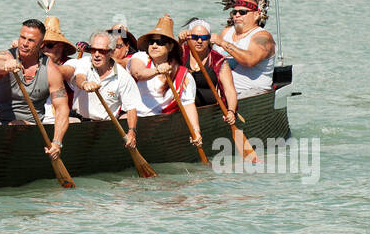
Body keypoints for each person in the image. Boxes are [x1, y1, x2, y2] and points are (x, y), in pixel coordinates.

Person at [0, 19, 70, 158]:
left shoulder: (51, 70)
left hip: (30, 130)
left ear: (41, 44)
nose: (24, 43)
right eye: (22, 37)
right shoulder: (5, 56)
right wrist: (5, 64)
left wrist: (56, 143)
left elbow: (62, 108)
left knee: (19, 125)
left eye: (31, 40)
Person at [129, 15, 203, 148]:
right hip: (133, 120)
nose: (154, 45)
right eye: (152, 42)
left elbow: (188, 105)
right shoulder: (140, 57)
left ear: (170, 47)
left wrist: (196, 131)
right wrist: (158, 71)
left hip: (160, 125)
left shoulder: (183, 75)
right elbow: (138, 73)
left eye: (161, 42)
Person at [61, 30, 139, 145]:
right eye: (93, 50)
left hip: (106, 127)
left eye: (102, 51)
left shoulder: (123, 77)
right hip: (79, 122)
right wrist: (84, 84)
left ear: (111, 52)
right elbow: (80, 77)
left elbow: (131, 108)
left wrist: (132, 132)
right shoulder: (84, 63)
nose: (96, 54)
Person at [216, 0, 276, 97]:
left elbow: (249, 60)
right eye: (235, 12)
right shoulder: (226, 32)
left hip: (251, 94)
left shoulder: (263, 37)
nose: (237, 15)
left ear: (256, 15)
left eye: (242, 12)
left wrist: (222, 43)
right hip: (223, 91)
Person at [177, 18, 239, 126]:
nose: (199, 41)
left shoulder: (218, 61)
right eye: (195, 37)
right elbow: (166, 55)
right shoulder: (180, 53)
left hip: (210, 113)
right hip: (182, 111)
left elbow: (229, 90)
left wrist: (231, 111)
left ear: (209, 39)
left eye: (204, 38)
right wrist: (179, 41)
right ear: (189, 38)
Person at [40, 16, 76, 122]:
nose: (44, 49)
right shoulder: (34, 64)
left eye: (49, 45)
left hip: (62, 118)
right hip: (36, 119)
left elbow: (61, 71)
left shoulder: (72, 63)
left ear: (61, 46)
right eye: (41, 45)